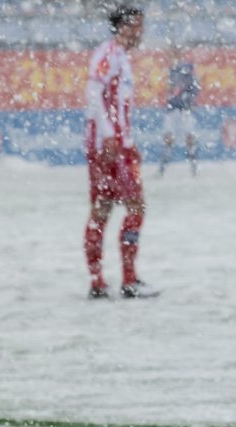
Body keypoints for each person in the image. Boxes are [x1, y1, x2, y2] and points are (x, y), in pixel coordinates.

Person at [83, 6, 157, 299]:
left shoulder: (122, 58)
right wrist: (109, 135)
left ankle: (102, 282)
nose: (141, 32)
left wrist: (127, 139)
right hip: (108, 146)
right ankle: (123, 280)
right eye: (137, 26)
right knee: (130, 208)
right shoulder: (108, 53)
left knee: (106, 209)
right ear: (123, 27)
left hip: (116, 144)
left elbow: (118, 106)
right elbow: (93, 92)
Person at [160, 45, 199, 176]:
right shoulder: (169, 71)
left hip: (184, 110)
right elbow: (167, 90)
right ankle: (163, 167)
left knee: (189, 137)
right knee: (169, 138)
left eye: (175, 53)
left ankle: (193, 167)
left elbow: (194, 88)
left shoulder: (186, 70)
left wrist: (188, 99)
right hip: (172, 110)